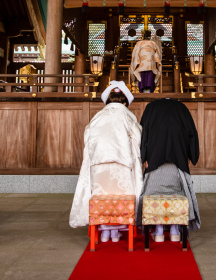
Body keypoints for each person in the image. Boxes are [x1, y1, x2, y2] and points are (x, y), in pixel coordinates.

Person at [69, 81, 143, 243]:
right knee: (122, 196)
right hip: (122, 162)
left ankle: (104, 229)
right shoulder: (127, 115)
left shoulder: (98, 116)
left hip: (98, 163)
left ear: (108, 101)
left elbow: (87, 137)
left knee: (101, 196)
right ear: (125, 102)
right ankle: (117, 229)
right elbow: (138, 138)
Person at [137, 98, 200, 241]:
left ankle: (158, 229)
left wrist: (144, 157)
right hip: (178, 162)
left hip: (154, 162)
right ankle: (174, 229)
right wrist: (190, 157)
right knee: (177, 194)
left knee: (153, 195)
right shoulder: (182, 108)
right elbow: (192, 134)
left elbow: (143, 134)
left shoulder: (151, 108)